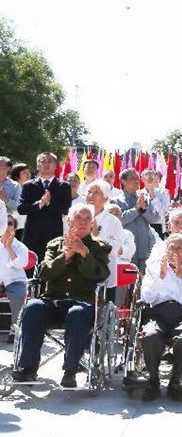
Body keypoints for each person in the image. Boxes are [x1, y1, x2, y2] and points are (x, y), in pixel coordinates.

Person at [11, 203, 111, 387]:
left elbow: (101, 275)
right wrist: (65, 256)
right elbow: (44, 273)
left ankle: (70, 370)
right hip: (53, 301)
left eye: (87, 218)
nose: (82, 222)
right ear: (69, 221)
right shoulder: (55, 244)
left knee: (77, 314)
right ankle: (28, 369)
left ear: (92, 224)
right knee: (33, 308)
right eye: (78, 218)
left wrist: (84, 253)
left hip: (82, 302)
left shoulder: (99, 247)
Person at [136, 233, 182, 401]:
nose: (175, 251)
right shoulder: (153, 271)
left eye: (179, 248)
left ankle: (175, 383)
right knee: (150, 336)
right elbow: (146, 298)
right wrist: (161, 277)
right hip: (157, 313)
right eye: (171, 248)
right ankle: (153, 381)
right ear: (165, 251)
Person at [17, 152, 72, 262]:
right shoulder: (28, 186)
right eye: (42, 162)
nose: (46, 164)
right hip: (32, 234)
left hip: (53, 234)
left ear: (56, 165)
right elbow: (21, 209)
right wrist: (39, 204)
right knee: (30, 268)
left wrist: (49, 203)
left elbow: (65, 209)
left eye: (50, 161)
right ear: (37, 166)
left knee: (51, 267)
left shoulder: (64, 186)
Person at [85, 179, 133, 295]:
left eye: (96, 192)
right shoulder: (80, 217)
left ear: (106, 198)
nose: (90, 196)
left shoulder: (113, 221)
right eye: (89, 192)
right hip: (82, 271)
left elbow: (116, 247)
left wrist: (96, 236)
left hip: (104, 272)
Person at [113, 169, 160, 274]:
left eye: (137, 178)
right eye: (133, 178)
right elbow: (118, 221)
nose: (137, 181)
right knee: (126, 286)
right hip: (127, 251)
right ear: (123, 181)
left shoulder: (144, 198)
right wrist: (136, 209)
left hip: (145, 250)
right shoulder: (116, 201)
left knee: (143, 285)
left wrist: (144, 209)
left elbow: (154, 219)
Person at [1, 211, 30, 343]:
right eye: (3, 223)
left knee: (19, 294)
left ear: (15, 227)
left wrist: (9, 248)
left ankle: (15, 329)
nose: (6, 226)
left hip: (15, 281)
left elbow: (21, 263)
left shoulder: (21, 247)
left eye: (10, 223)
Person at [142, 169, 171, 239]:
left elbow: (163, 211)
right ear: (142, 179)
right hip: (143, 228)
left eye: (152, 176)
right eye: (147, 176)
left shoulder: (163, 192)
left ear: (155, 178)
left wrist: (153, 195)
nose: (149, 178)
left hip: (159, 227)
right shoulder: (138, 193)